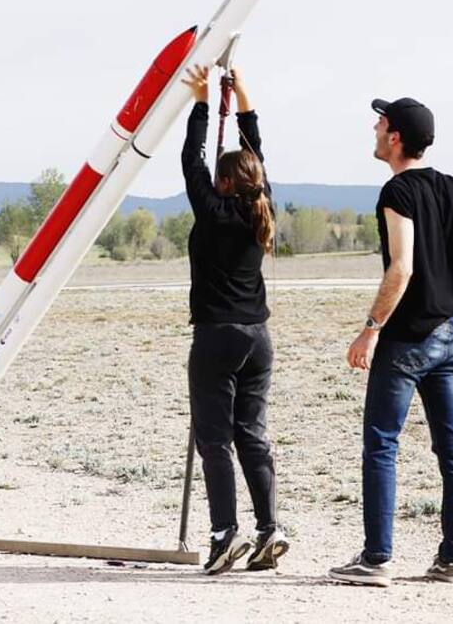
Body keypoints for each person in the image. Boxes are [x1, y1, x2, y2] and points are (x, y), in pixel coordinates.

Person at [328, 97, 453, 587]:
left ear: (395, 136)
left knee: (381, 444)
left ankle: (376, 559)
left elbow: (402, 268)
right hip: (452, 336)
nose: (375, 128)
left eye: (381, 123)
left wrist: (370, 329)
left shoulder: (397, 191)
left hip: (406, 341)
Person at [180, 64, 288, 575]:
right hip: (258, 339)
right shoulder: (260, 208)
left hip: (217, 338)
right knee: (252, 434)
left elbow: (190, 158)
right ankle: (269, 530)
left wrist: (203, 103)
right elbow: (255, 156)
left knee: (215, 440)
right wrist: (241, 97)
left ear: (224, 184)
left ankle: (225, 534)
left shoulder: (214, 212)